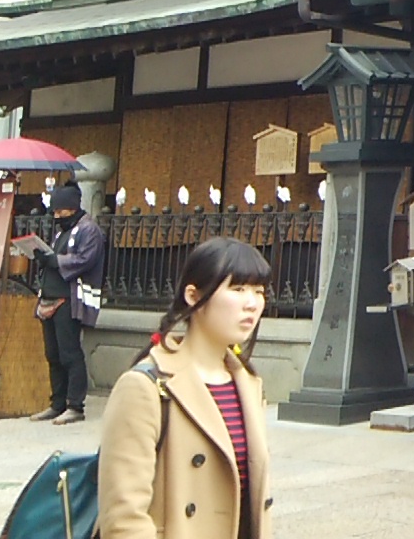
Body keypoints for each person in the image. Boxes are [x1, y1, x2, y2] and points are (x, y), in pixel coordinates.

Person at [99, 236, 274, 539]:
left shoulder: (248, 384)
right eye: (238, 289)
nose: (252, 303)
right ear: (193, 296)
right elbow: (124, 518)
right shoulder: (145, 387)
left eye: (259, 291)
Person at [26, 184, 105, 425]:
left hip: (70, 298)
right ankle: (57, 403)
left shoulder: (89, 230)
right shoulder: (62, 232)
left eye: (61, 211)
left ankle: (75, 405)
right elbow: (55, 258)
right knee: (53, 354)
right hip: (49, 296)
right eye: (55, 212)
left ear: (73, 208)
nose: (57, 216)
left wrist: (55, 261)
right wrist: (44, 258)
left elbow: (85, 259)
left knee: (70, 353)